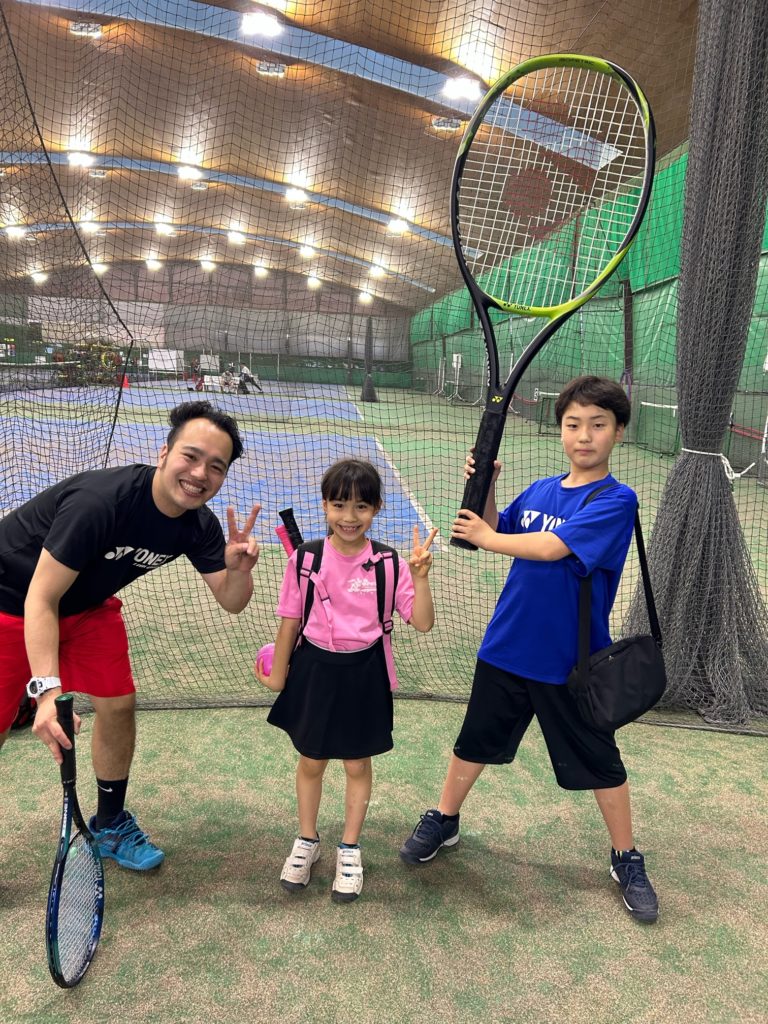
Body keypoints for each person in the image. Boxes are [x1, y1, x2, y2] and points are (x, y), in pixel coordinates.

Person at [399, 376, 659, 924]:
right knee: (473, 742)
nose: (584, 436)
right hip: (507, 645)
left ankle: (626, 857)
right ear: (559, 429)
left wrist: (486, 538)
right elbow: (498, 525)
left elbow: (551, 546)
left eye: (598, 425)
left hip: (571, 662)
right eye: (573, 424)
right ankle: (445, 818)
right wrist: (488, 486)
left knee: (599, 759)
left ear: (618, 432)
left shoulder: (615, 499)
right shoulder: (542, 489)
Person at [0, 400, 261, 871]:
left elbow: (232, 600)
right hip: (13, 599)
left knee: (118, 704)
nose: (199, 474)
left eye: (215, 466)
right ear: (164, 453)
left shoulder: (198, 525)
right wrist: (46, 693)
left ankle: (110, 824)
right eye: (191, 456)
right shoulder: (102, 502)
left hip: (86, 605)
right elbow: (41, 597)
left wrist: (238, 570)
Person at [255, 458, 437, 903]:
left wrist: (419, 578)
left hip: (365, 673)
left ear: (376, 508)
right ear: (324, 506)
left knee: (357, 764)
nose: (349, 517)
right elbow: (289, 621)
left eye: (360, 507)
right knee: (311, 760)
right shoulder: (305, 558)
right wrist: (277, 677)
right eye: (339, 505)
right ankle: (307, 840)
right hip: (314, 670)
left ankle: (350, 848)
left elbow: (423, 622)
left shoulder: (389, 563)